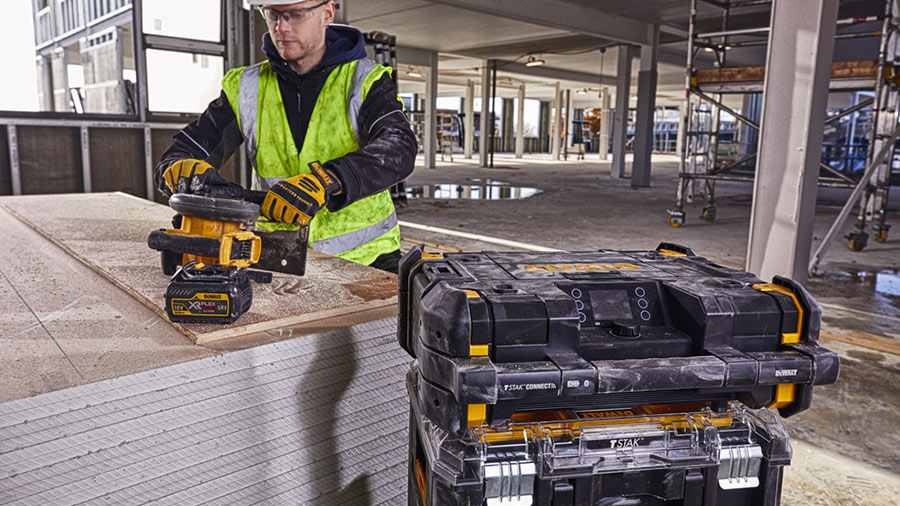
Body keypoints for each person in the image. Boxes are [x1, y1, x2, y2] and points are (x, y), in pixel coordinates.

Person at [155, 0, 416, 273]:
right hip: (277, 254)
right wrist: (177, 167)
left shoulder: (365, 80)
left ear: (327, 13)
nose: (281, 27)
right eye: (273, 14)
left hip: (367, 256)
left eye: (294, 14)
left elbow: (399, 148)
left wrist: (329, 180)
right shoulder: (246, 87)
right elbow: (186, 150)